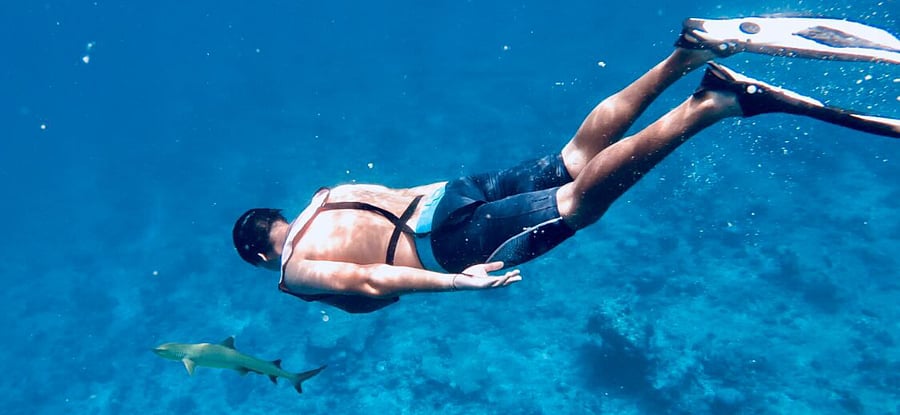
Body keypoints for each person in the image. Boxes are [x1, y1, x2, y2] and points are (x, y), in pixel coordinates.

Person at [232, 18, 900, 313]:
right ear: (281, 218)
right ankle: (685, 56)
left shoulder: (292, 274)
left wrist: (461, 287)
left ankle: (712, 103)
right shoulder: (325, 195)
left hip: (447, 245)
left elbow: (369, 276)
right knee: (571, 157)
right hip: (448, 196)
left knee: (577, 203)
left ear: (262, 255)